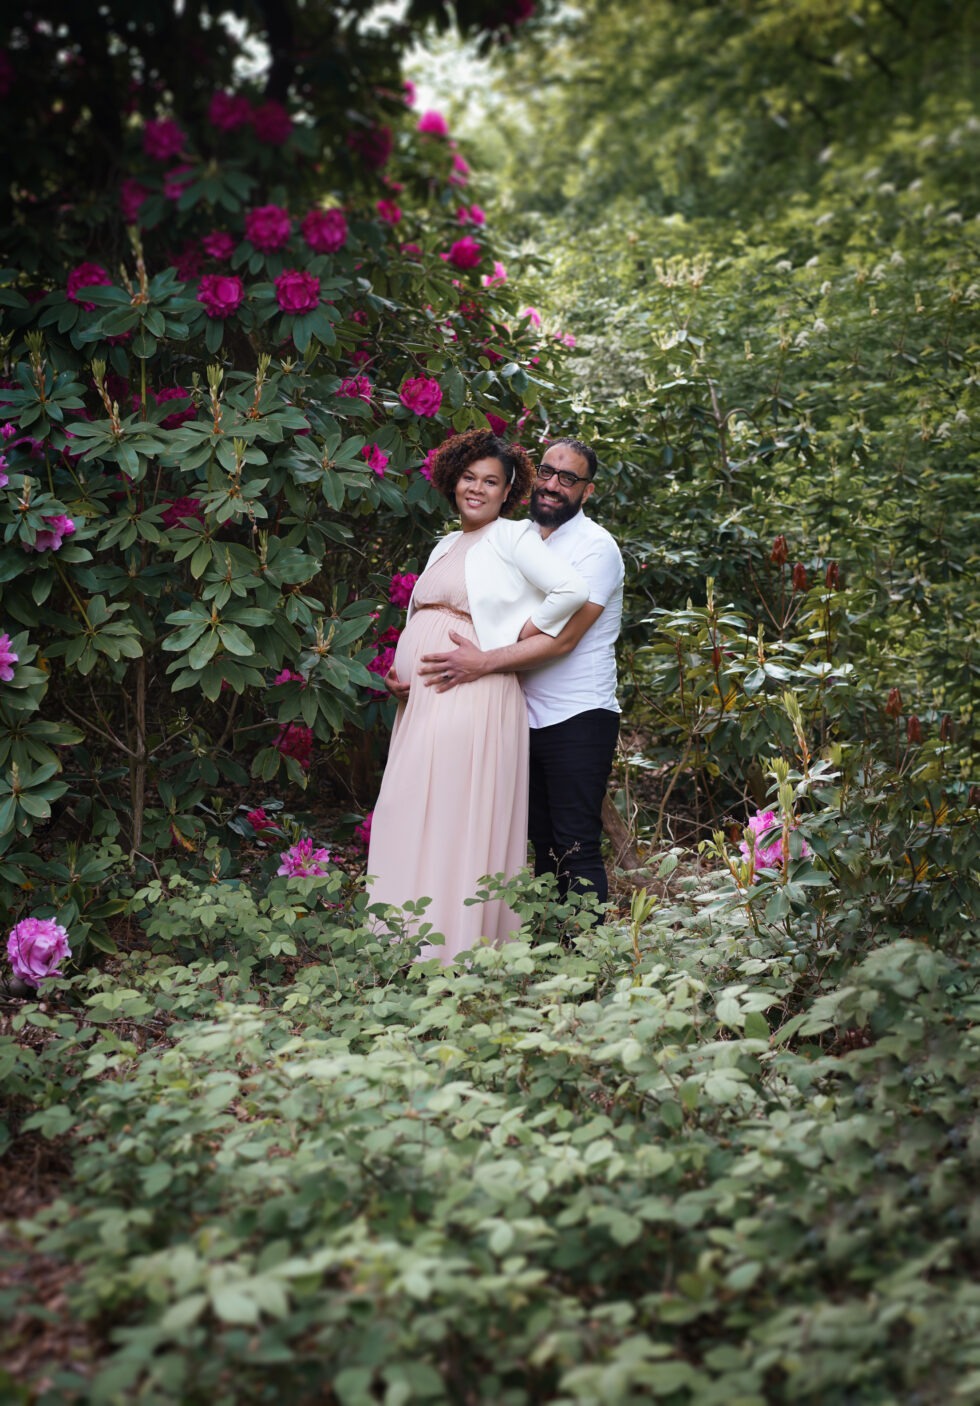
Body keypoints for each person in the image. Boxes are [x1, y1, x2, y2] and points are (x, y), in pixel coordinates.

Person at [367, 428, 589, 965]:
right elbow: (425, 614)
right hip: (423, 699)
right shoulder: (446, 542)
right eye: (469, 477)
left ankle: (452, 949)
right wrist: (401, 675)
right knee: (407, 807)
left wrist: (515, 635)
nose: (477, 488)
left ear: (508, 489)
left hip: (472, 693)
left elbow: (573, 592)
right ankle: (400, 938)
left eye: (491, 481)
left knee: (447, 812)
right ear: (452, 479)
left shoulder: (511, 537)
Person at [418, 437, 624, 905]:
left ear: (586, 492)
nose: (553, 485)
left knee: (575, 842)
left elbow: (564, 640)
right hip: (516, 713)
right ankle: (553, 956)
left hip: (578, 715)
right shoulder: (516, 536)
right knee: (540, 844)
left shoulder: (597, 549)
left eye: (568, 478)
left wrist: (483, 660)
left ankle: (587, 960)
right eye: (547, 473)